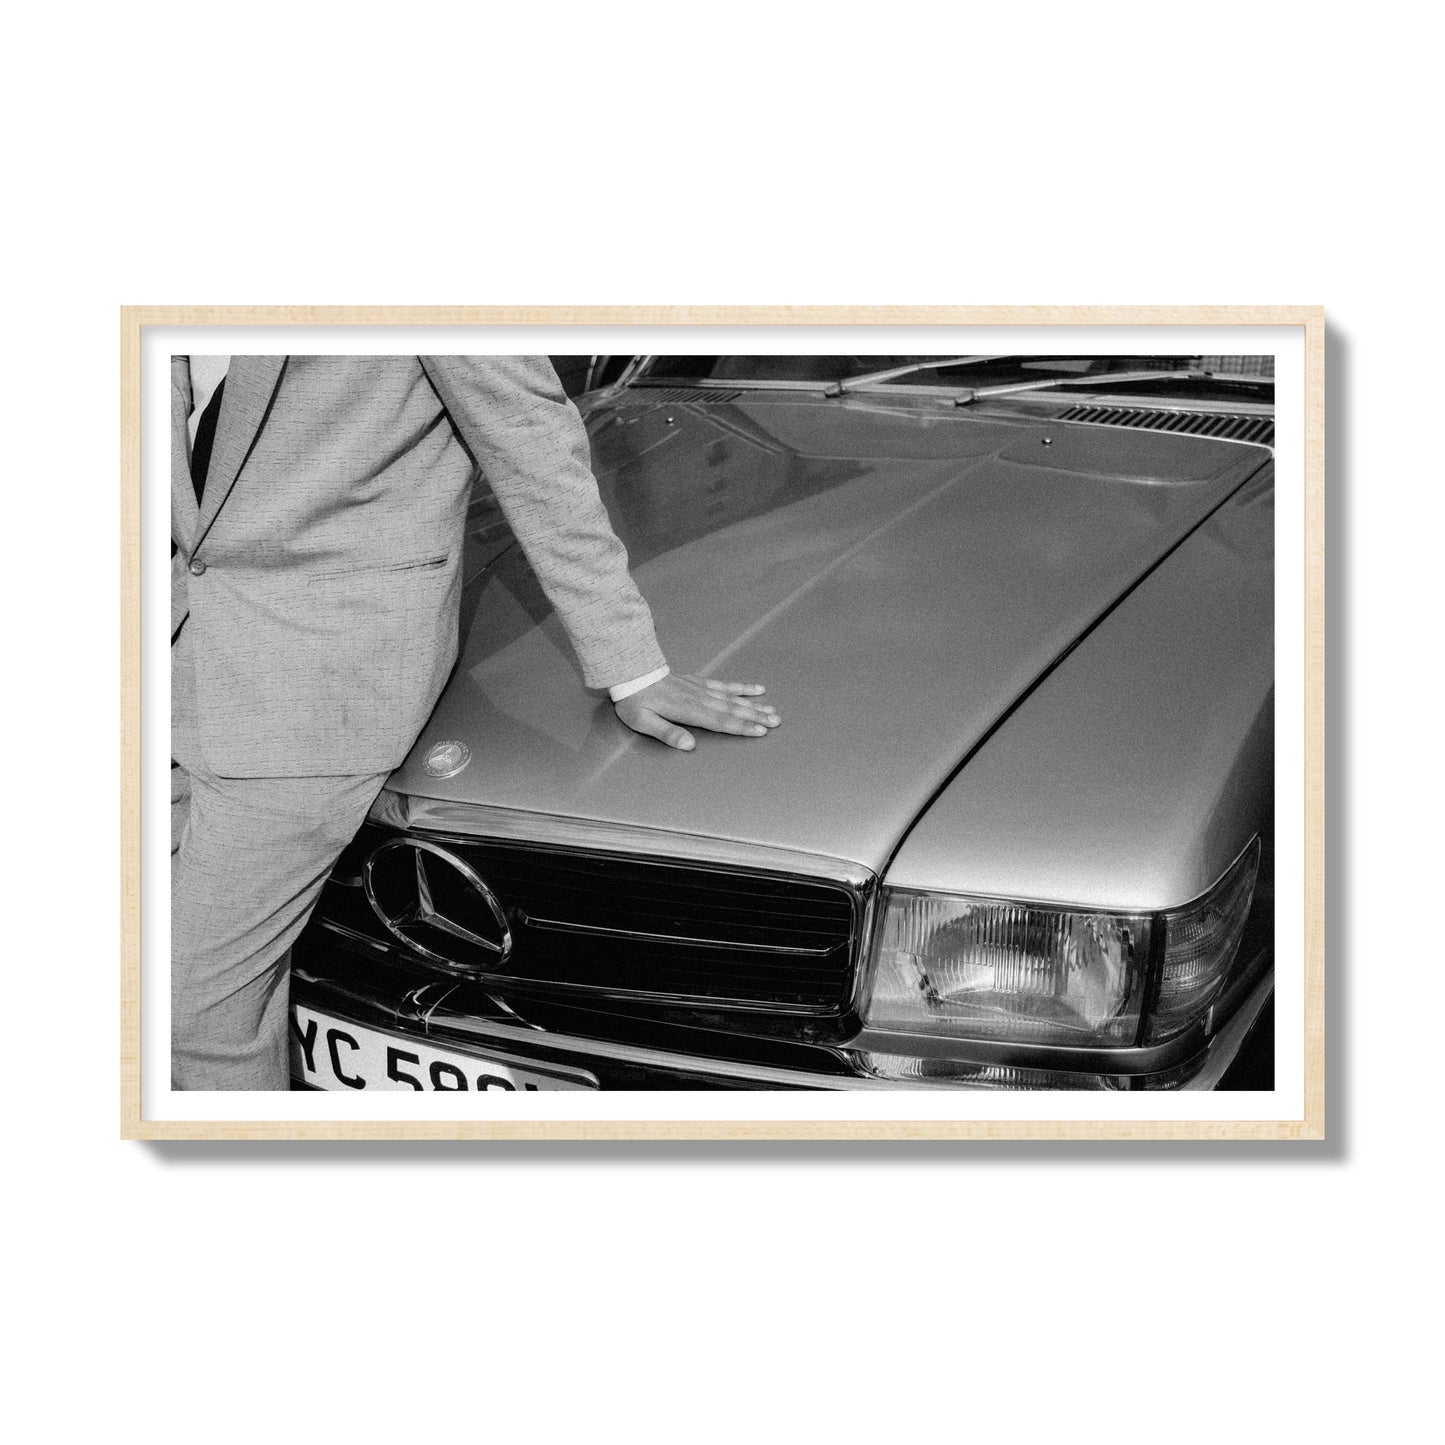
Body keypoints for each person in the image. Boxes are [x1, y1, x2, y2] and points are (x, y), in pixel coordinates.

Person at [171, 354, 779, 1090]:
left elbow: (529, 435)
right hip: (175, 646)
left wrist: (633, 666)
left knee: (188, 1008)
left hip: (319, 671)